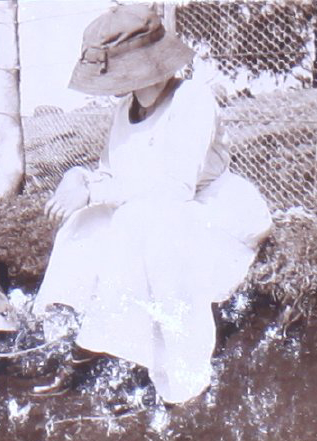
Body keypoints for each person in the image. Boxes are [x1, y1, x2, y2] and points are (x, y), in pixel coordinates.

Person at [32, 4, 272, 404]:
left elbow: (174, 187)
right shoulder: (125, 110)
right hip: (149, 208)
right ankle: (82, 344)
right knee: (85, 226)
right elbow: (113, 175)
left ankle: (161, 368)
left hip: (207, 210)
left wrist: (95, 191)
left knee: (138, 224)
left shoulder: (192, 100)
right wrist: (79, 179)